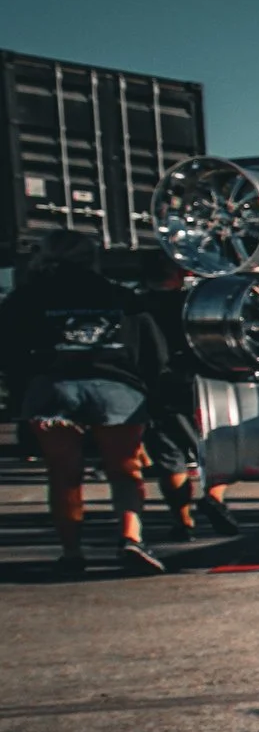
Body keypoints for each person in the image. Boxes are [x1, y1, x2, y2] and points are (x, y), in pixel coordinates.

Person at [0, 229, 172, 574]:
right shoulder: (122, 297)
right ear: (93, 258)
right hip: (117, 388)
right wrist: (149, 392)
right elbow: (156, 353)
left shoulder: (25, 298)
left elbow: (8, 351)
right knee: (125, 469)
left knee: (64, 476)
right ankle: (130, 537)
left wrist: (25, 392)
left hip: (53, 388)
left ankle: (72, 552)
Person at [137, 254, 241, 541]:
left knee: (171, 457)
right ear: (178, 274)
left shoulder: (135, 307)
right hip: (201, 383)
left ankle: (182, 521)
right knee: (218, 447)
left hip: (155, 389)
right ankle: (214, 497)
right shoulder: (193, 304)